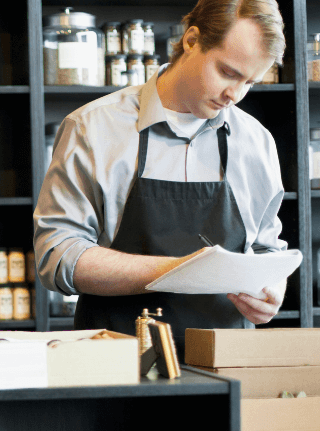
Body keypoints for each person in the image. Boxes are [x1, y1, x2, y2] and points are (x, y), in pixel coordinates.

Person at [33, 0, 289, 341]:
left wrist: (272, 290)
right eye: (228, 72)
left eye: (250, 82)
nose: (235, 94)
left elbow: (266, 250)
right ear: (192, 40)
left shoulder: (256, 141)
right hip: (116, 362)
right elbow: (58, 256)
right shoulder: (92, 127)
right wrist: (183, 271)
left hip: (226, 369)